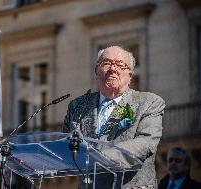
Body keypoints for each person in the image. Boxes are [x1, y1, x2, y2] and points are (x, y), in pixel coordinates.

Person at [63, 46, 165, 188]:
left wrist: (100, 156)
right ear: (96, 71)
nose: (113, 68)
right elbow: (65, 144)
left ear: (130, 74)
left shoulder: (149, 102)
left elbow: (146, 143)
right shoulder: (77, 106)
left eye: (120, 65)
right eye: (106, 63)